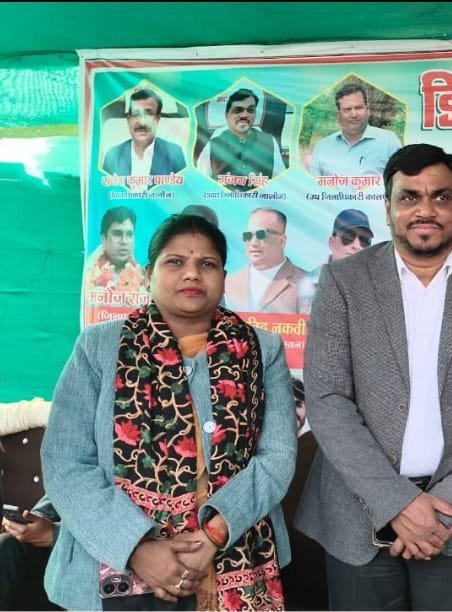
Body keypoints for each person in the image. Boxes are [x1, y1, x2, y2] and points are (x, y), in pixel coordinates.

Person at [295, 143, 452, 610]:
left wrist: (441, 508)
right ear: (387, 208)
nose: (425, 210)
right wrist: (397, 503)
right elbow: (327, 399)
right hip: (356, 515)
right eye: (409, 197)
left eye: (441, 197)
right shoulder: (344, 282)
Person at [42, 213, 297, 610]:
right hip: (109, 565)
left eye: (207, 264)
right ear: (149, 274)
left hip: (235, 557)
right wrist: (136, 548)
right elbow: (65, 461)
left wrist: (213, 536)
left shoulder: (262, 350)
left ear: (223, 277)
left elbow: (277, 457)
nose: (192, 274)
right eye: (175, 262)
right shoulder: (98, 347)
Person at [196, 88, 286, 190]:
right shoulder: (214, 144)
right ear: (227, 115)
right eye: (238, 110)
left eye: (250, 110)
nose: (244, 115)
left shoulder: (269, 142)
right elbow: (201, 183)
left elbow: (282, 182)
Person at [308, 82, 402, 177]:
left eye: (358, 108)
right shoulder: (322, 147)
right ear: (338, 115)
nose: (354, 114)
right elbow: (312, 183)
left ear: (368, 110)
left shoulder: (389, 141)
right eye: (347, 109)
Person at [224, 207, 307, 313]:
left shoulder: (306, 284)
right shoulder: (229, 284)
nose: (253, 243)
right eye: (248, 235)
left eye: (261, 235)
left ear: (281, 241)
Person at [297, 208, 374, 315]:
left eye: (364, 240)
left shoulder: (378, 287)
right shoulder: (307, 284)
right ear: (331, 242)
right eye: (348, 237)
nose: (356, 246)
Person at [102, 88, 186, 178]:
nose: (142, 122)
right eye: (136, 114)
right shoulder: (113, 155)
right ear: (129, 120)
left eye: (148, 114)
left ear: (157, 119)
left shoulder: (174, 153)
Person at [0, 495, 59, 610]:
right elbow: (50, 505)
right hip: (52, 550)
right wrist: (31, 523)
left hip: (85, 553)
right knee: (7, 544)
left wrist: (55, 533)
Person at [85, 206, 148, 293]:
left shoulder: (145, 278)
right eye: (117, 234)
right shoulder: (87, 276)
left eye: (129, 234)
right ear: (103, 239)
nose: (124, 241)